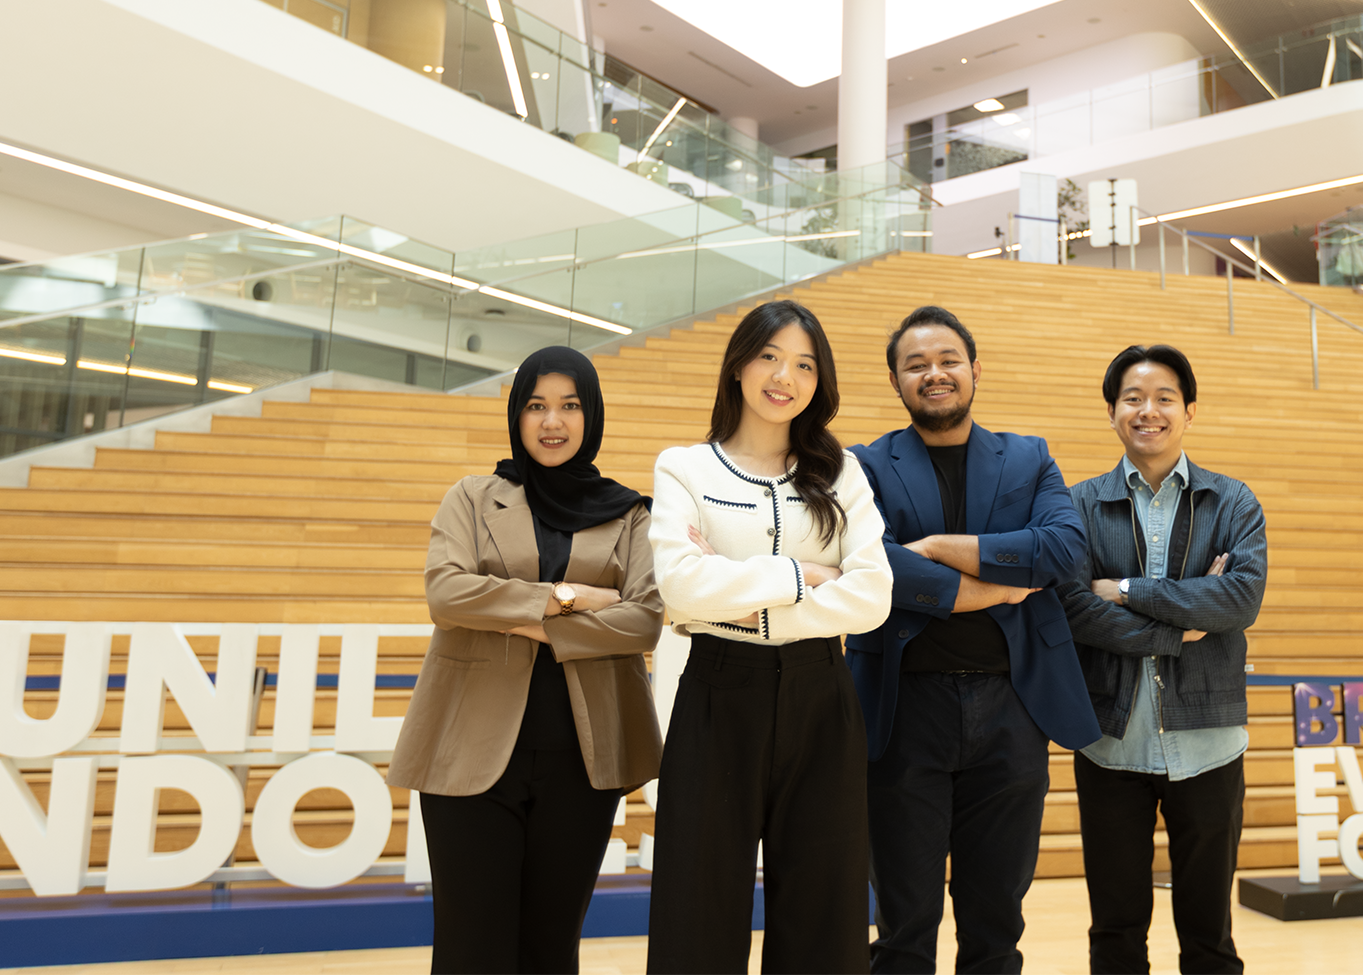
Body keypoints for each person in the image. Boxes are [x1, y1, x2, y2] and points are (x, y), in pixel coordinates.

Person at [389, 346, 665, 975]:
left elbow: (645, 618)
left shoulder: (629, 513)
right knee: (469, 949)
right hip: (468, 750)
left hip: (583, 759)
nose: (552, 422)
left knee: (549, 948)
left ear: (590, 415)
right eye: (537, 405)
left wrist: (523, 620)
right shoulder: (473, 496)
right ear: (516, 414)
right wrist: (565, 600)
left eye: (569, 406)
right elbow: (447, 593)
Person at [848, 305, 1099, 975]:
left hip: (1012, 711)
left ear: (974, 369)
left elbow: (1063, 550)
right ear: (897, 381)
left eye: (947, 360)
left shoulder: (1028, 455)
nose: (935, 374)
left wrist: (936, 549)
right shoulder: (864, 466)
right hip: (903, 711)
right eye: (916, 364)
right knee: (904, 922)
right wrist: (987, 587)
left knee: (995, 924)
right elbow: (872, 561)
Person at [644, 299, 894, 975]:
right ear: (737, 366)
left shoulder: (840, 473)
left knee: (825, 908)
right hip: (718, 696)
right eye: (770, 357)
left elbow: (872, 597)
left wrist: (734, 591)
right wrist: (800, 575)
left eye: (805, 364)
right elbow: (681, 589)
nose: (786, 376)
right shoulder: (684, 469)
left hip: (822, 696)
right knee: (697, 905)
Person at [1057, 345, 1267, 975]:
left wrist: (1124, 589)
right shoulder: (1077, 505)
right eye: (1132, 399)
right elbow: (1071, 608)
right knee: (1115, 931)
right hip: (1109, 741)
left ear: (1189, 411)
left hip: (1208, 740)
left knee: (1210, 935)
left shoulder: (1232, 502)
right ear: (1113, 413)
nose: (1148, 411)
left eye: (1164, 399)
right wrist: (1179, 628)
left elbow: (1237, 599)